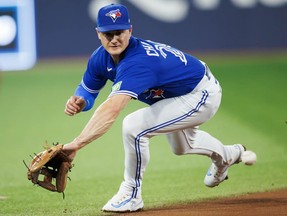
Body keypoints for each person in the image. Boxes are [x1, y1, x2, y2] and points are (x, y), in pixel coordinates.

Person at [63, 3, 256, 213]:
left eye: (119, 32)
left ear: (130, 30)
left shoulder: (137, 62)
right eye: (108, 34)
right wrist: (81, 100)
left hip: (200, 94)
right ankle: (228, 155)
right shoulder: (100, 58)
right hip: (176, 95)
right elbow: (88, 90)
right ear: (98, 33)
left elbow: (111, 110)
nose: (114, 39)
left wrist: (77, 144)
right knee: (182, 147)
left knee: (133, 127)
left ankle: (131, 193)